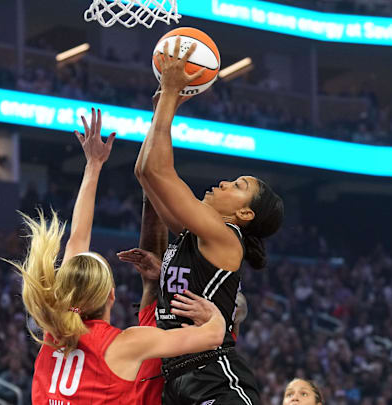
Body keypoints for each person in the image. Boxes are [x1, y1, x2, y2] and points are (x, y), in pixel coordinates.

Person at [8, 108, 226, 404]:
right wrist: (216, 316)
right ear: (111, 295)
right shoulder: (127, 343)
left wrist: (93, 165)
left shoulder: (55, 328)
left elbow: (77, 240)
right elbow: (212, 337)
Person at [134, 37, 284, 404]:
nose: (223, 182)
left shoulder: (225, 236)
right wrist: (159, 112)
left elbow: (158, 168)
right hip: (176, 377)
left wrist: (170, 93)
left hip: (214, 377)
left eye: (238, 185)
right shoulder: (192, 233)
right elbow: (143, 173)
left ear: (244, 214)